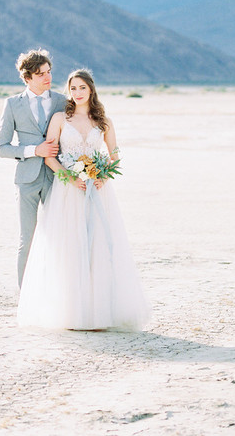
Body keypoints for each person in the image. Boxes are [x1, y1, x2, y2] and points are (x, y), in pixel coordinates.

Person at [17, 69, 151, 330]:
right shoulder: (59, 118)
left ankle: (99, 312)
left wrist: (104, 176)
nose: (77, 93)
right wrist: (68, 177)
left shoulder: (104, 122)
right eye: (73, 88)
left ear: (91, 90)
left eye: (82, 88)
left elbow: (115, 155)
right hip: (68, 191)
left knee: (98, 248)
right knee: (70, 247)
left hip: (98, 192)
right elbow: (50, 156)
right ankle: (71, 313)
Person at [0, 49, 67, 287]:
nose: (47, 78)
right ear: (27, 78)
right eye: (40, 74)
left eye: (49, 72)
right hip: (27, 179)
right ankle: (25, 295)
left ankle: (58, 290)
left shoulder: (62, 101)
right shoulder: (12, 104)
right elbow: (2, 148)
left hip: (57, 177)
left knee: (59, 236)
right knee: (27, 238)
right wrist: (33, 150)